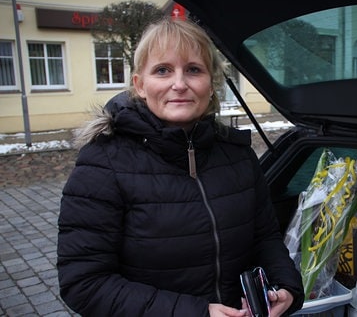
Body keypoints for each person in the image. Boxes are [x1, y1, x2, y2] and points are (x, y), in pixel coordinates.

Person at [57, 17, 304, 317]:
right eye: (162, 70)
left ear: (211, 85)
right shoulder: (103, 162)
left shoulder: (237, 154)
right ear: (140, 85)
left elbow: (265, 236)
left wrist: (287, 285)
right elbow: (84, 283)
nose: (179, 84)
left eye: (193, 70)